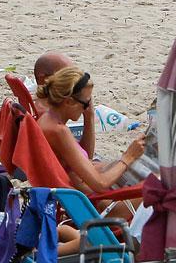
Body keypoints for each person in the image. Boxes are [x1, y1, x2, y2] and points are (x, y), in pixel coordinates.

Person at [34, 66, 148, 200]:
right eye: (86, 103)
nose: (88, 107)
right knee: (161, 185)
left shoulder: (48, 120)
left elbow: (85, 155)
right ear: (69, 102)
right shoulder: (59, 131)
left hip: (87, 197)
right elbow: (100, 185)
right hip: (97, 205)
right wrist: (128, 157)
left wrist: (89, 116)